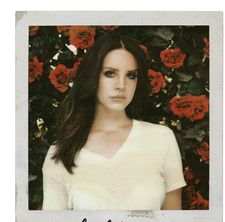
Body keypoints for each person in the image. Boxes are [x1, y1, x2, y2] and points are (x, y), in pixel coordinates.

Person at [42, 32, 186, 210]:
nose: (121, 85)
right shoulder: (60, 153)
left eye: (131, 75)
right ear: (92, 76)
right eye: (110, 73)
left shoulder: (162, 139)